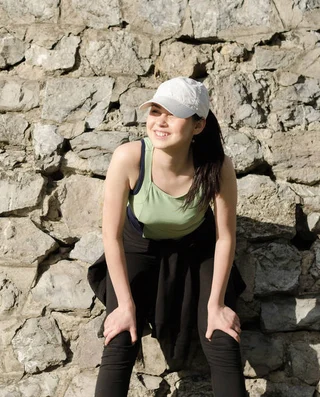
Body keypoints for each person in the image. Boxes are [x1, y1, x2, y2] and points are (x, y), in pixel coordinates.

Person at [87, 76, 248, 396]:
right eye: (155, 112)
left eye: (172, 114)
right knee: (120, 333)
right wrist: (124, 306)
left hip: (197, 249)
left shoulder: (217, 165)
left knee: (221, 334)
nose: (160, 122)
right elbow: (111, 235)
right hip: (138, 246)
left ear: (198, 126)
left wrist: (216, 305)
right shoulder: (129, 157)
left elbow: (225, 238)